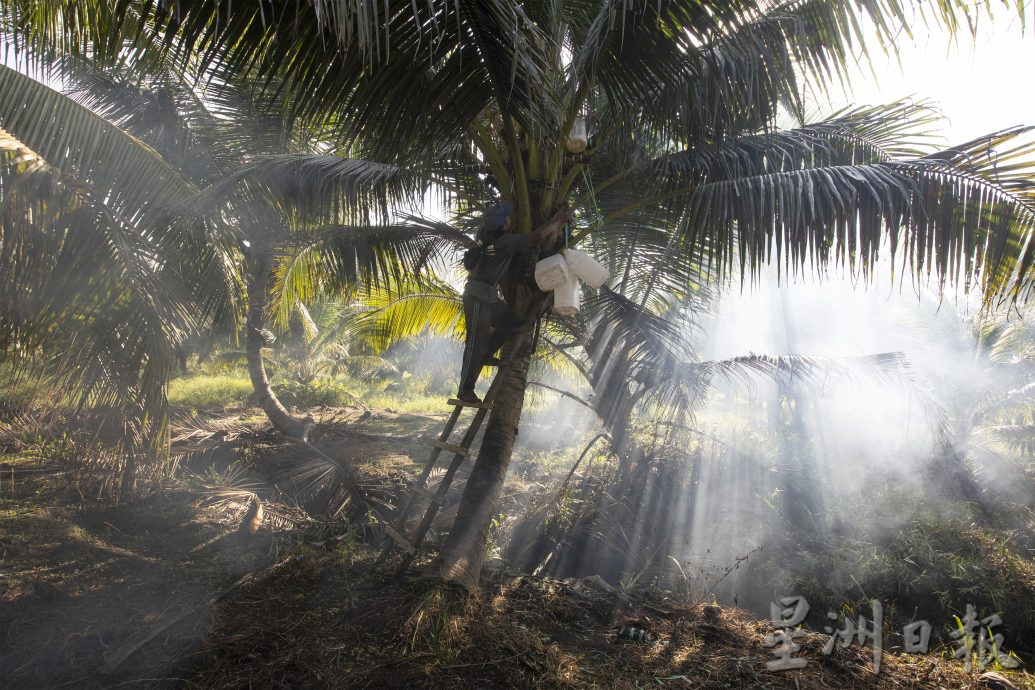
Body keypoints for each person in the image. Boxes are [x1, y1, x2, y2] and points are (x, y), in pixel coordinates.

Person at [457, 202, 572, 403]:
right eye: (507, 218)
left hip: (489, 295)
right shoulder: (504, 242)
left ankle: (486, 355)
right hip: (477, 296)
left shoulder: (489, 237)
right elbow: (537, 236)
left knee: (511, 323)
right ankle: (465, 391)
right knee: (475, 343)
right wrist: (559, 220)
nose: (511, 219)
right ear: (503, 225)